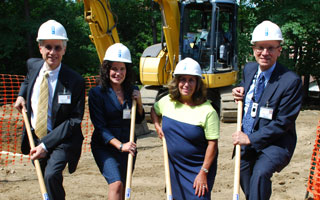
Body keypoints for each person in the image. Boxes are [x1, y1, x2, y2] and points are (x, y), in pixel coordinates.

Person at [14, 20, 85, 200]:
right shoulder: (33, 65)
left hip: (62, 138)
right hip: (35, 136)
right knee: (47, 178)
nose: (52, 52)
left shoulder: (75, 81)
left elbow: (74, 120)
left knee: (51, 175)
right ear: (40, 48)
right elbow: (28, 80)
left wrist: (45, 146)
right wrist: (22, 95)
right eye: (48, 47)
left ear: (64, 49)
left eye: (57, 48)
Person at [231, 20, 302, 200]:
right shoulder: (249, 69)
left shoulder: (290, 81)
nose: (265, 53)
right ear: (253, 48)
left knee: (260, 175)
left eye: (271, 48)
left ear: (279, 50)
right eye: (260, 47)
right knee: (245, 177)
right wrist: (240, 90)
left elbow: (282, 123)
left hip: (275, 143)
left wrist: (250, 138)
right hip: (249, 141)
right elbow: (248, 89)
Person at [151, 57, 219, 200]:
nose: (186, 84)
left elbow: (212, 145)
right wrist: (157, 126)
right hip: (174, 167)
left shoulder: (208, 111)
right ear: (176, 81)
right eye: (182, 79)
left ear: (198, 84)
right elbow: (154, 110)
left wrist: (203, 173)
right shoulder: (167, 101)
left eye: (191, 80)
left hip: (198, 169)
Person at [88, 43, 145, 200]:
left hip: (129, 145)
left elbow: (139, 119)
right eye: (114, 68)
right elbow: (100, 127)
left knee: (124, 186)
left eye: (122, 69)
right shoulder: (96, 93)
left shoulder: (131, 90)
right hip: (105, 146)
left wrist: (139, 102)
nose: (118, 73)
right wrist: (120, 146)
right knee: (116, 184)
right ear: (106, 69)